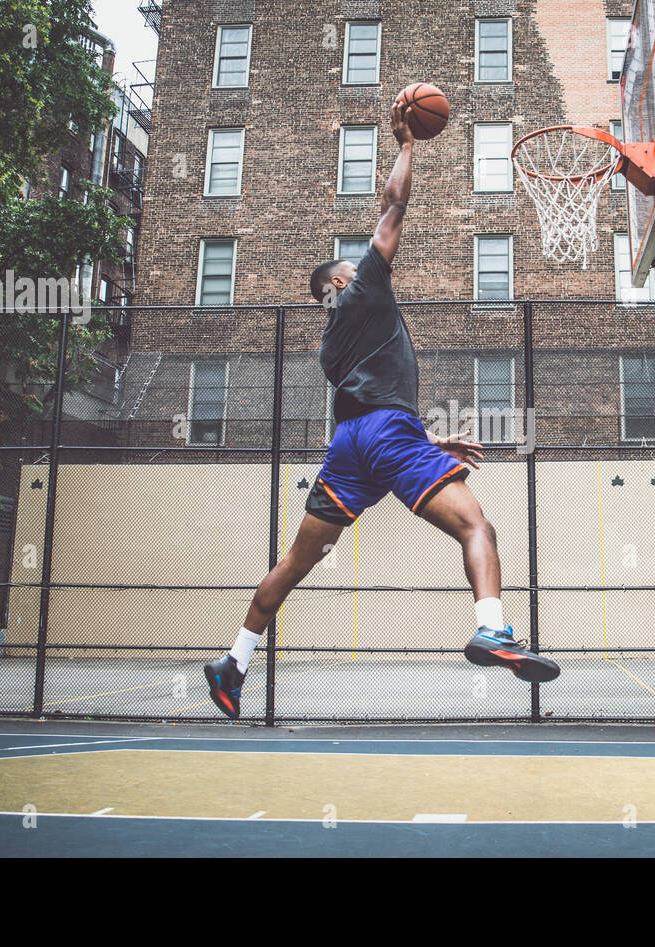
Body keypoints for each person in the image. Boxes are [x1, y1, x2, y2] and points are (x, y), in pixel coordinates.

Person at [204, 101, 559, 719]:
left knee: (296, 560)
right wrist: (406, 142)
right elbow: (393, 207)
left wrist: (428, 446)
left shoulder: (328, 344)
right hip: (386, 436)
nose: (363, 265)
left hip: (349, 448)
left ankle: (233, 660)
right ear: (340, 283)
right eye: (352, 265)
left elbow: (368, 404)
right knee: (478, 528)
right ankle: (493, 629)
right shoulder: (362, 288)